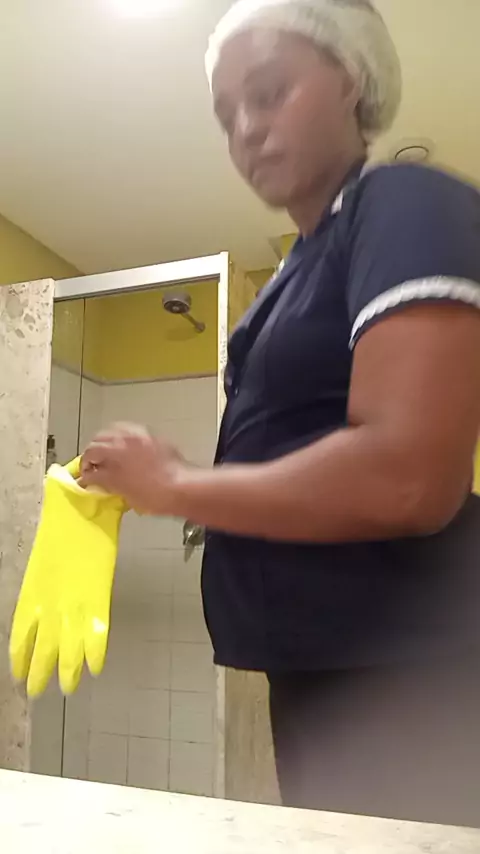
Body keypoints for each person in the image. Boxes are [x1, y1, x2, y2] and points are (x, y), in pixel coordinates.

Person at [81, 0, 480, 827]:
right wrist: (153, 476)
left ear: (353, 81)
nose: (245, 130)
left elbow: (408, 476)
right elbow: (295, 447)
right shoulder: (296, 274)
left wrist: (177, 485)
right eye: (226, 114)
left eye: (269, 94)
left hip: (416, 672)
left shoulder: (402, 200)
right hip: (323, 667)